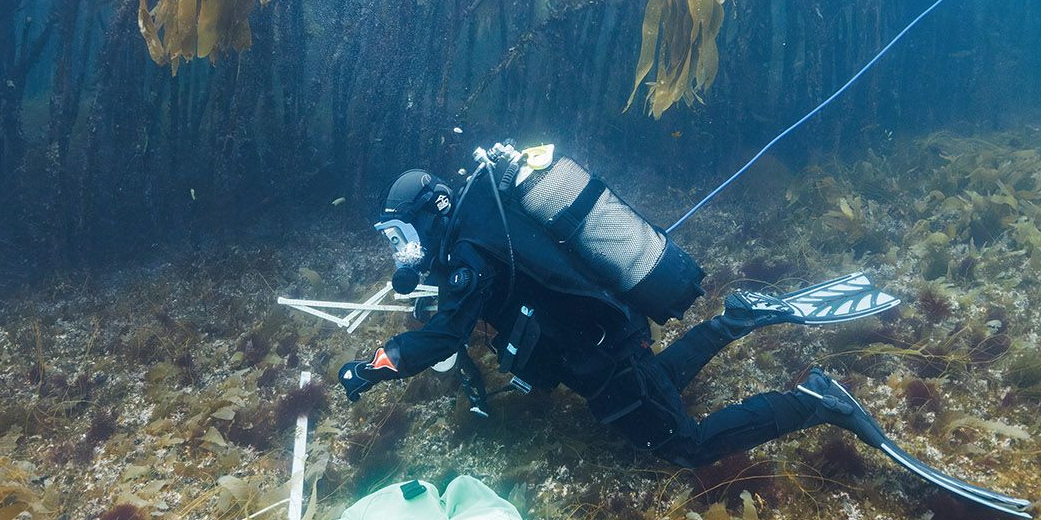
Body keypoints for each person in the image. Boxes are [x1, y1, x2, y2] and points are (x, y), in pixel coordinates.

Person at [336, 166, 901, 468]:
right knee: (665, 381)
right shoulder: (480, 218)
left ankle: (815, 402)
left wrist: (372, 369)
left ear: (428, 219)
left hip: (602, 351)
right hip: (608, 328)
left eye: (400, 236)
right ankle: (736, 319)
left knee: (686, 446)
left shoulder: (469, 255)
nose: (400, 249)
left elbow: (445, 335)